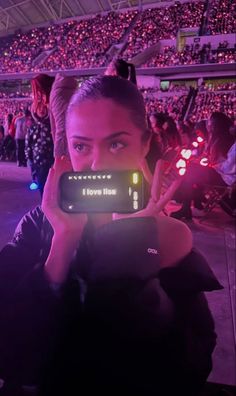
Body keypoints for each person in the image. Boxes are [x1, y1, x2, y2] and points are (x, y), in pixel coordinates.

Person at [0, 76, 222, 396]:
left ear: (144, 144)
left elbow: (187, 369)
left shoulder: (166, 237)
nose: (97, 164)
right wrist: (61, 246)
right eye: (81, 146)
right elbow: (12, 358)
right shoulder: (38, 225)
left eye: (116, 144)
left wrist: (131, 251)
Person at [171, 112, 235, 219]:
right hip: (220, 174)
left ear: (216, 125)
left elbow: (229, 168)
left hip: (225, 178)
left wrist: (212, 167)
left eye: (210, 122)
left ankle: (187, 206)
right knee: (192, 172)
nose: (208, 124)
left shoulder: (231, 143)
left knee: (191, 170)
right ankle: (193, 205)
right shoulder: (217, 140)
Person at [25, 74, 55, 197]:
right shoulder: (41, 102)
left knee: (48, 189)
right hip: (39, 149)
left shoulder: (51, 102)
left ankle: (48, 213)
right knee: (44, 187)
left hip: (45, 149)